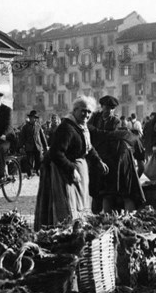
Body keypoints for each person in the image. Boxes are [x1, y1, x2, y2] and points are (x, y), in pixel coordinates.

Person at [34, 96, 109, 230]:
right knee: (66, 205)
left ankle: (78, 227)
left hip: (77, 169)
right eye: (83, 111)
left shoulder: (82, 127)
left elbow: (89, 147)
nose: (86, 115)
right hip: (61, 171)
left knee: (80, 203)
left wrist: (98, 161)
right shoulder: (67, 127)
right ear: (75, 110)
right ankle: (65, 230)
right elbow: (56, 153)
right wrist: (71, 169)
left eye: (89, 112)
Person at [90, 127, 146, 213]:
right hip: (122, 155)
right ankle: (129, 221)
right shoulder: (136, 138)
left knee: (107, 193)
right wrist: (133, 181)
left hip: (104, 158)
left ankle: (107, 221)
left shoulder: (113, 133)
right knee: (128, 194)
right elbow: (141, 167)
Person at [18, 110, 48, 177]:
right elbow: (22, 137)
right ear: (30, 118)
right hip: (29, 147)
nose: (32, 119)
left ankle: (36, 170)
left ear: (35, 119)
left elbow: (42, 136)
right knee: (29, 162)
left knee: (39, 159)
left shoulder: (38, 126)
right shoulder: (25, 127)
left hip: (38, 146)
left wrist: (45, 146)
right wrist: (20, 146)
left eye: (34, 118)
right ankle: (29, 173)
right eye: (31, 117)